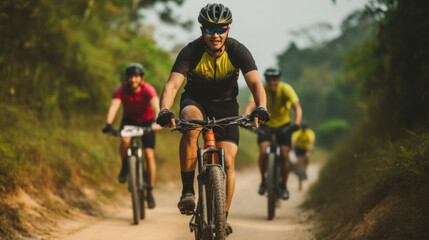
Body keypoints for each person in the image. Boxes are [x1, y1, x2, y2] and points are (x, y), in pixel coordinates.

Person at [156, 3, 269, 235]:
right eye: (210, 29)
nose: (215, 35)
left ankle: (221, 217)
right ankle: (188, 192)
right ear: (202, 30)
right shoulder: (191, 52)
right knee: (189, 124)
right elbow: (173, 84)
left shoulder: (238, 51)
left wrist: (261, 107)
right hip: (196, 101)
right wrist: (164, 110)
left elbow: (256, 83)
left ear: (228, 30)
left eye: (221, 29)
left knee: (227, 162)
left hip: (226, 107)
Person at [102, 63, 161, 209]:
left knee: (149, 154)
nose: (133, 80)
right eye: (130, 77)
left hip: (147, 122)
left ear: (141, 78)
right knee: (124, 140)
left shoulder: (148, 89)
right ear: (127, 78)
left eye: (136, 77)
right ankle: (124, 166)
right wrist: (109, 124)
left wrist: (159, 120)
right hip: (128, 122)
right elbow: (114, 106)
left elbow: (155, 105)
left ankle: (150, 191)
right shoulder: (121, 89)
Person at [244, 67, 302, 200]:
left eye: (275, 80)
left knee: (285, 153)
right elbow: (250, 105)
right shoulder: (261, 88)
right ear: (266, 80)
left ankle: (284, 186)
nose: (272, 83)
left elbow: (297, 108)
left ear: (279, 80)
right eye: (269, 80)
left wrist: (297, 123)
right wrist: (246, 118)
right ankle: (263, 181)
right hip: (266, 125)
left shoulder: (286, 89)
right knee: (263, 151)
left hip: (284, 126)